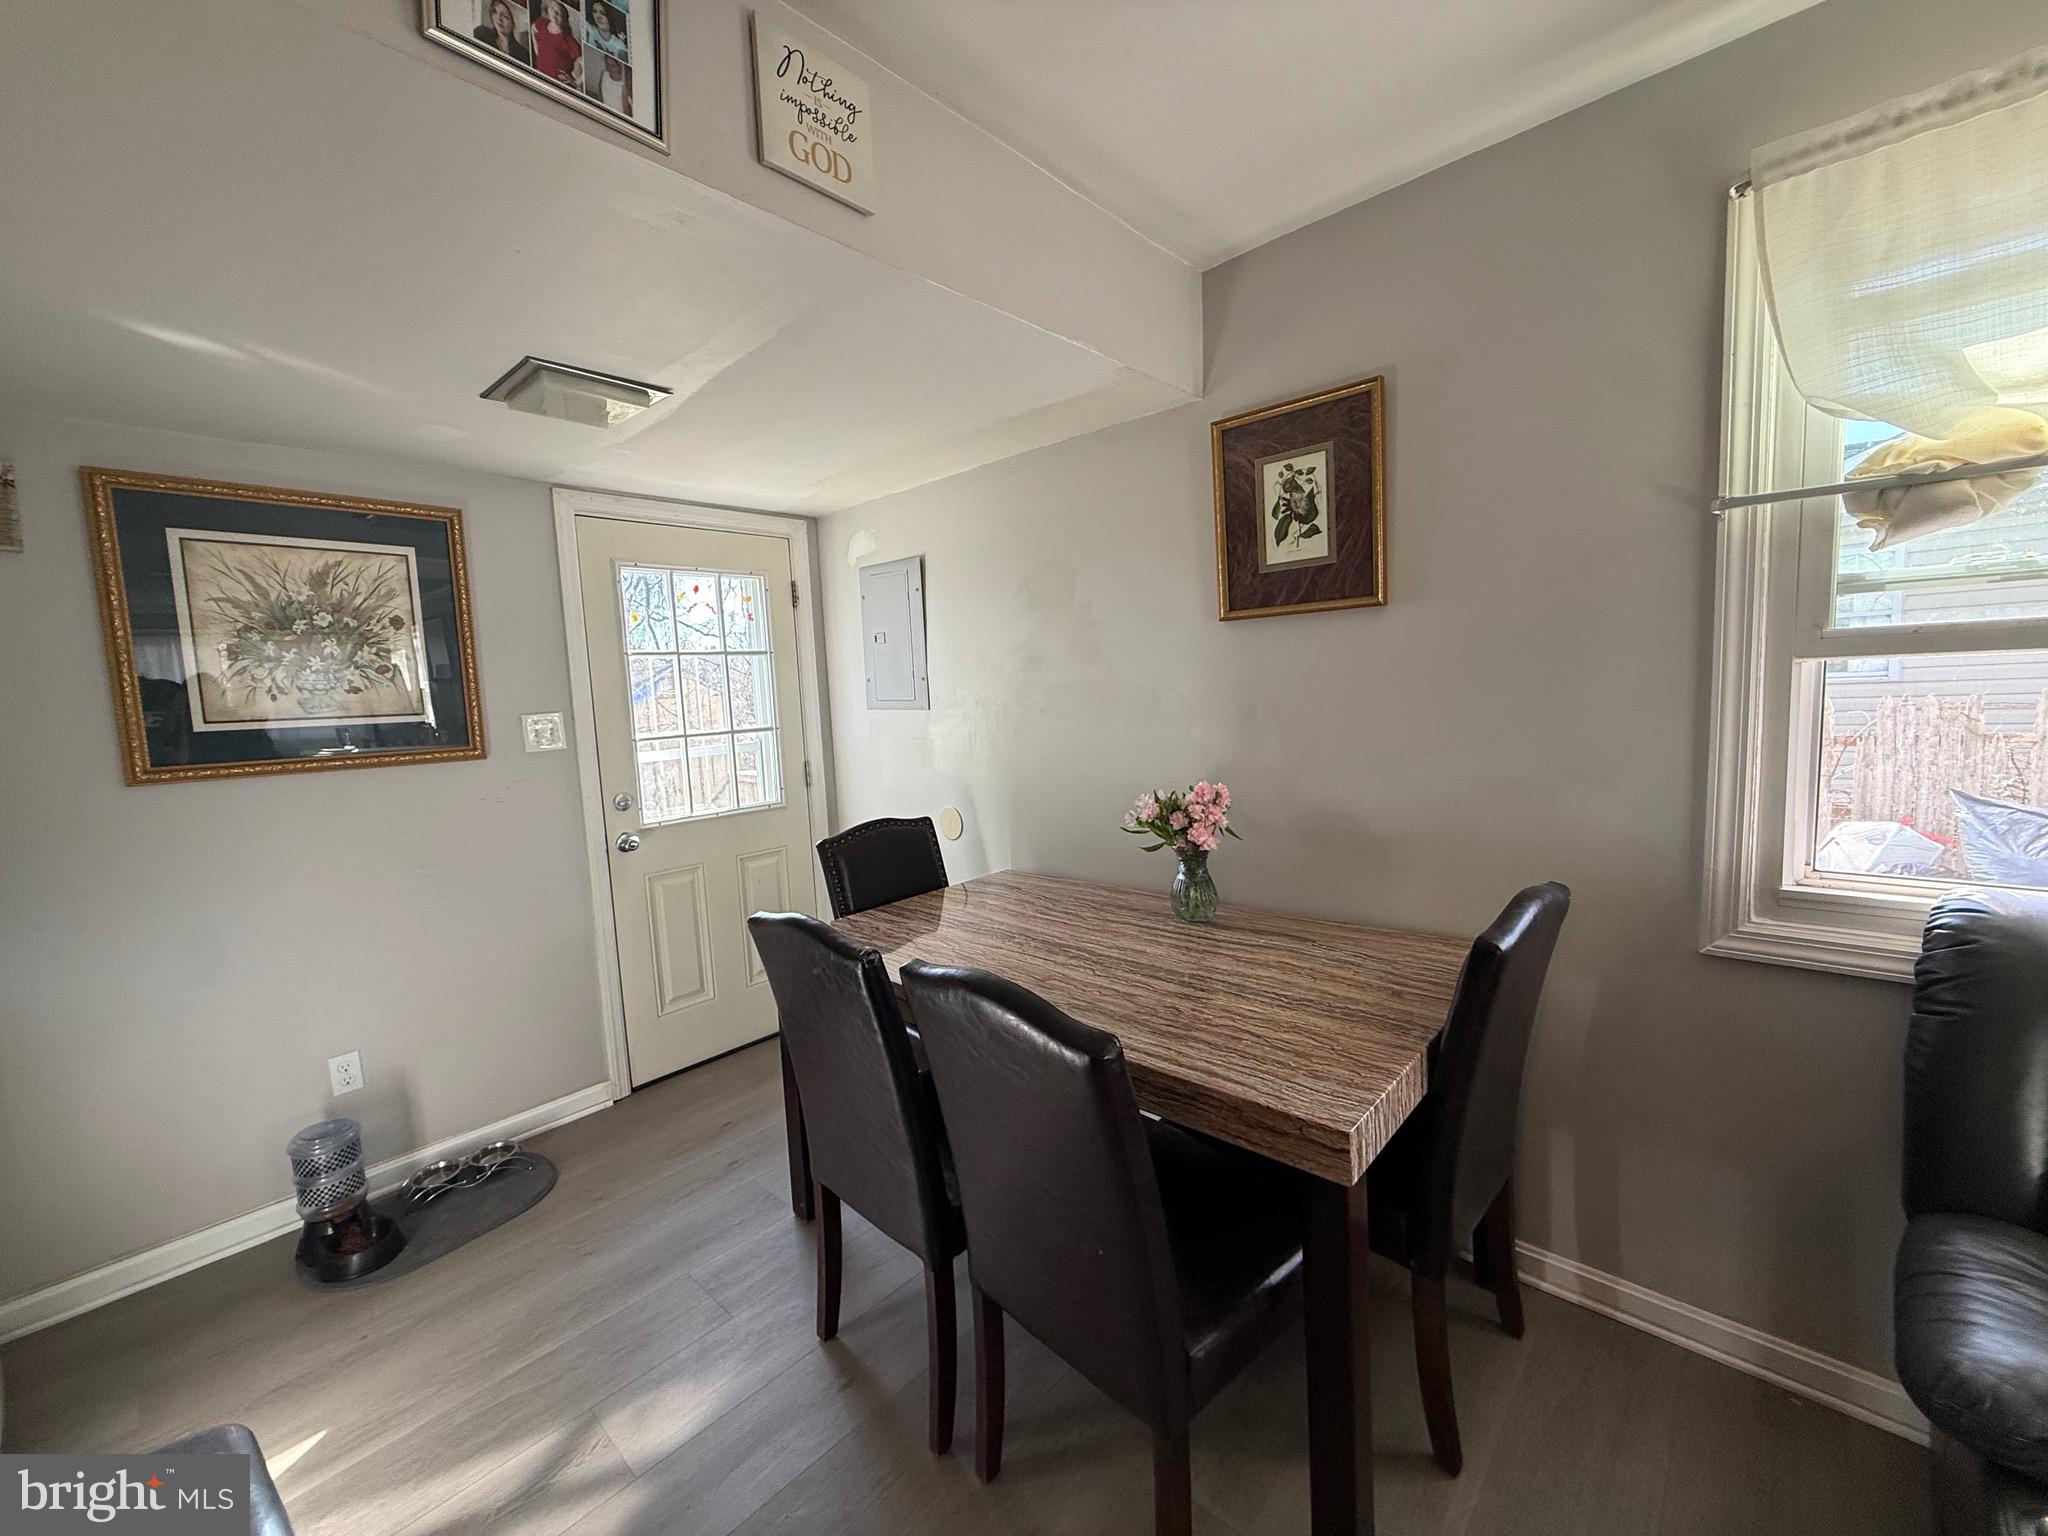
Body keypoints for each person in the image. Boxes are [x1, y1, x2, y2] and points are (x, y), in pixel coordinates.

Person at [531, 0, 583, 87]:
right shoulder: (541, 23)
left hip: (558, 85)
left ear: (565, 17)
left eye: (559, 13)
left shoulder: (568, 40)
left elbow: (585, 64)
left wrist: (575, 82)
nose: (554, 15)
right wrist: (538, 52)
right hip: (540, 79)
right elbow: (533, 28)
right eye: (552, 9)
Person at [470, 0, 531, 65]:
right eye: (495, 12)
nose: (498, 18)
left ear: (513, 24)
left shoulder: (523, 53)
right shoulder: (481, 33)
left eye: (505, 16)